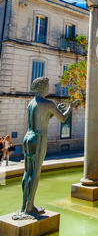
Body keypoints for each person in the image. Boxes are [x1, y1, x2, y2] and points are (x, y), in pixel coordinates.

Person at [13, 77, 79, 220]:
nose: (49, 88)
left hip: (27, 137)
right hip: (39, 138)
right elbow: (62, 118)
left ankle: (25, 206)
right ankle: (29, 208)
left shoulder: (31, 103)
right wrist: (70, 107)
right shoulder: (48, 103)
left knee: (27, 172)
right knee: (35, 173)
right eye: (47, 85)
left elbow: (42, 118)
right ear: (42, 87)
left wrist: (52, 112)